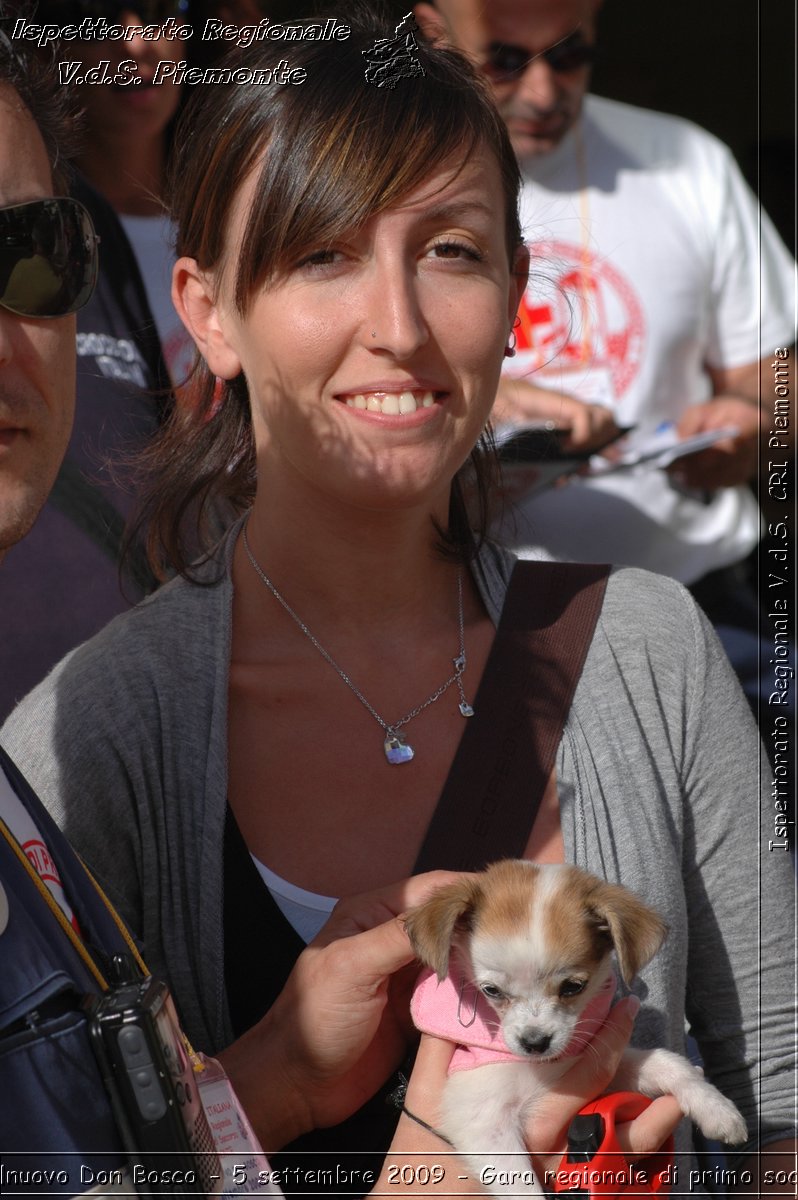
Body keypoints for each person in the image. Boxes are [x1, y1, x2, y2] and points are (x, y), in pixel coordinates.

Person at [1, 10, 793, 1196]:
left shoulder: (649, 648)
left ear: (519, 291)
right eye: (322, 254)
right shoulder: (91, 735)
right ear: (207, 311)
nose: (402, 327)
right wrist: (260, 1087)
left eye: (455, 251)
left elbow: (779, 1095)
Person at [415, 0, 795, 711]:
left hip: (695, 609)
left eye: (568, 55)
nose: (542, 90)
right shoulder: (387, 169)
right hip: (460, 619)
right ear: (434, 30)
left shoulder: (687, 163)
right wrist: (486, 408)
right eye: (504, 59)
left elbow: (776, 366)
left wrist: (747, 420)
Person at [35, 0, 195, 385]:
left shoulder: (245, 214)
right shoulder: (30, 240)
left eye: (156, 10)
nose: (136, 43)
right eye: (95, 18)